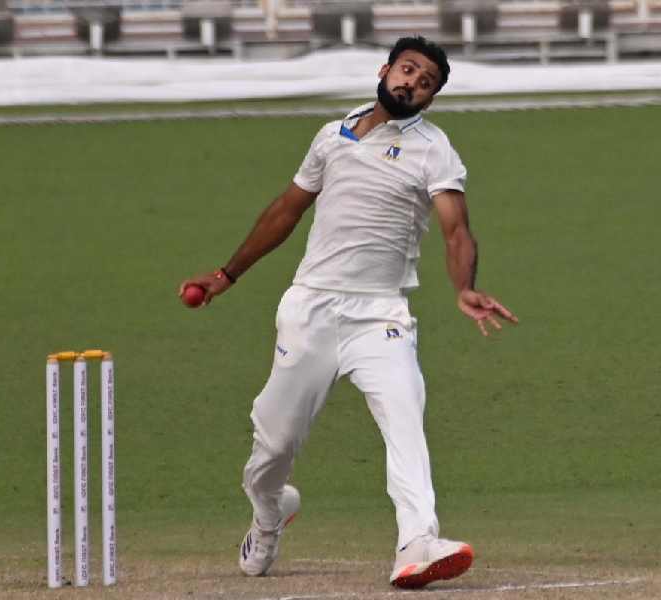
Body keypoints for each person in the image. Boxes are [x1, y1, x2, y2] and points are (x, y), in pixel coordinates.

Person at [180, 36, 517, 589]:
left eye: (426, 82)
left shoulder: (433, 148)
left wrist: (464, 286)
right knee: (274, 446)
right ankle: (270, 513)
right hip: (310, 308)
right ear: (386, 69)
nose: (413, 83)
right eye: (408, 70)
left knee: (405, 415)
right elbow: (286, 210)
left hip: (380, 315)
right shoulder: (331, 136)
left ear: (430, 99)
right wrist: (225, 276)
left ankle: (417, 543)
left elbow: (455, 227)